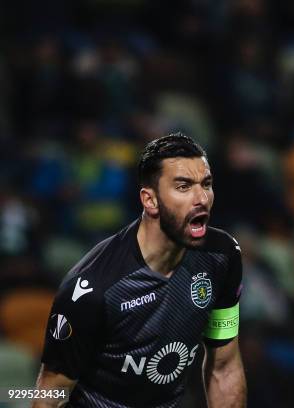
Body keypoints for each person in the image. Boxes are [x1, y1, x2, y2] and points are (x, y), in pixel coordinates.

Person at [33, 133, 246, 407]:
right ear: (150, 200)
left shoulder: (222, 257)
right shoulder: (92, 290)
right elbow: (50, 396)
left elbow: (224, 368)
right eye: (183, 186)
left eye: (206, 184)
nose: (202, 197)